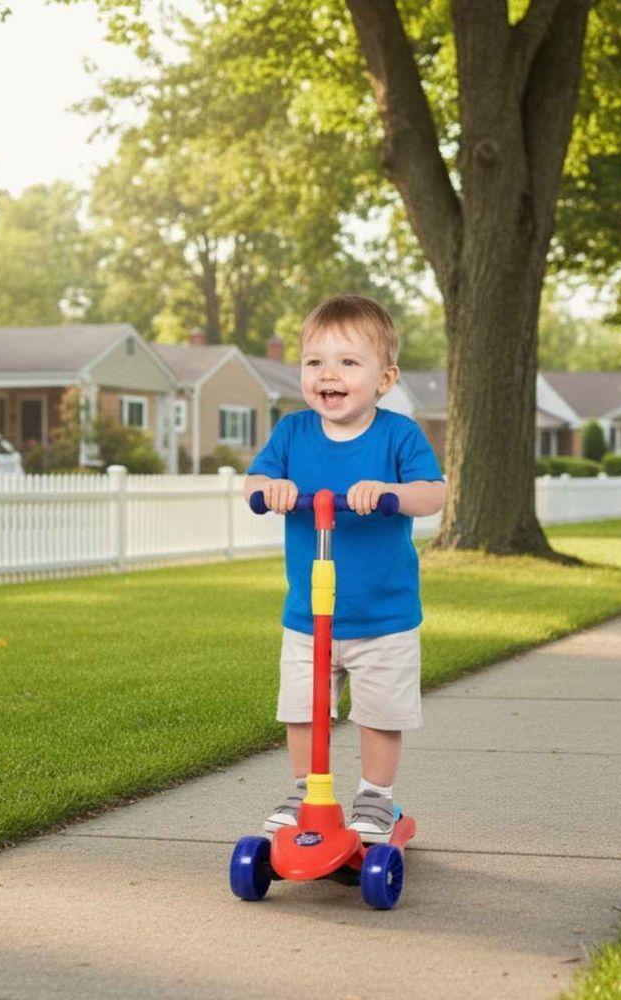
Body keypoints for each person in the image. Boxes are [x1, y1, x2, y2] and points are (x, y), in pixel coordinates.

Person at [243, 294, 446, 843]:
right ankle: (308, 788)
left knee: (380, 714)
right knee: (303, 709)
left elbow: (433, 495)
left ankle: (376, 798)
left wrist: (390, 492)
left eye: (348, 363)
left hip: (384, 615)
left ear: (385, 377)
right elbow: (253, 485)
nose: (328, 375)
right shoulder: (292, 433)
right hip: (308, 614)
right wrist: (272, 488)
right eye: (315, 363)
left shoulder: (399, 434)